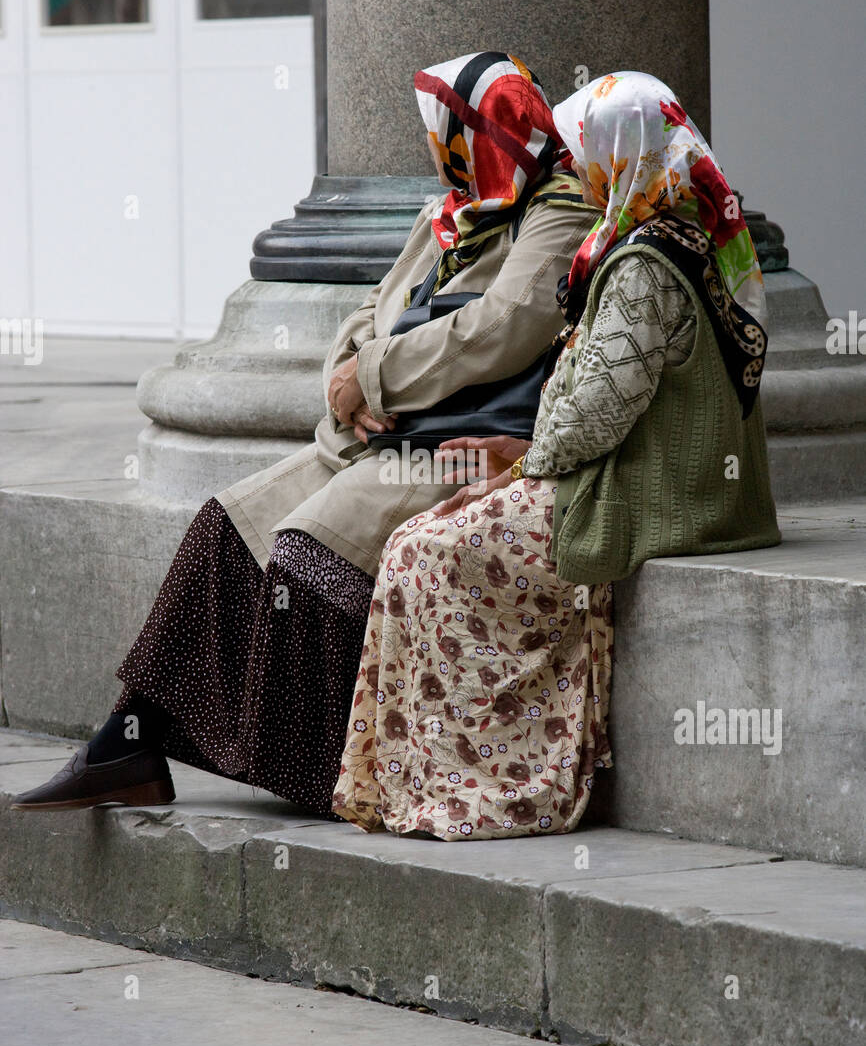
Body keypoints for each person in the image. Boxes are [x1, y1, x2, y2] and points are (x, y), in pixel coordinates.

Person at [12, 51, 597, 815]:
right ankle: (125, 745)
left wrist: (377, 378)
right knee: (227, 526)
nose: (436, 147)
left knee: (306, 549)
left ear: (481, 132)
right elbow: (371, 309)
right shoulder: (453, 209)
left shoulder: (557, 211)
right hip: (376, 436)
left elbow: (502, 330)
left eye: (447, 130)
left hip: (457, 447)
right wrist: (343, 381)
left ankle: (326, 775)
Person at [332, 70, 781, 841]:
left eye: (587, 154)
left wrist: (518, 458)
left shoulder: (645, 263)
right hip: (639, 466)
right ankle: (425, 779)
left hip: (658, 489)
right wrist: (523, 449)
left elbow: (589, 418)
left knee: (423, 551)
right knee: (418, 543)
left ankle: (491, 784)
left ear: (621, 154)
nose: (574, 169)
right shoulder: (667, 228)